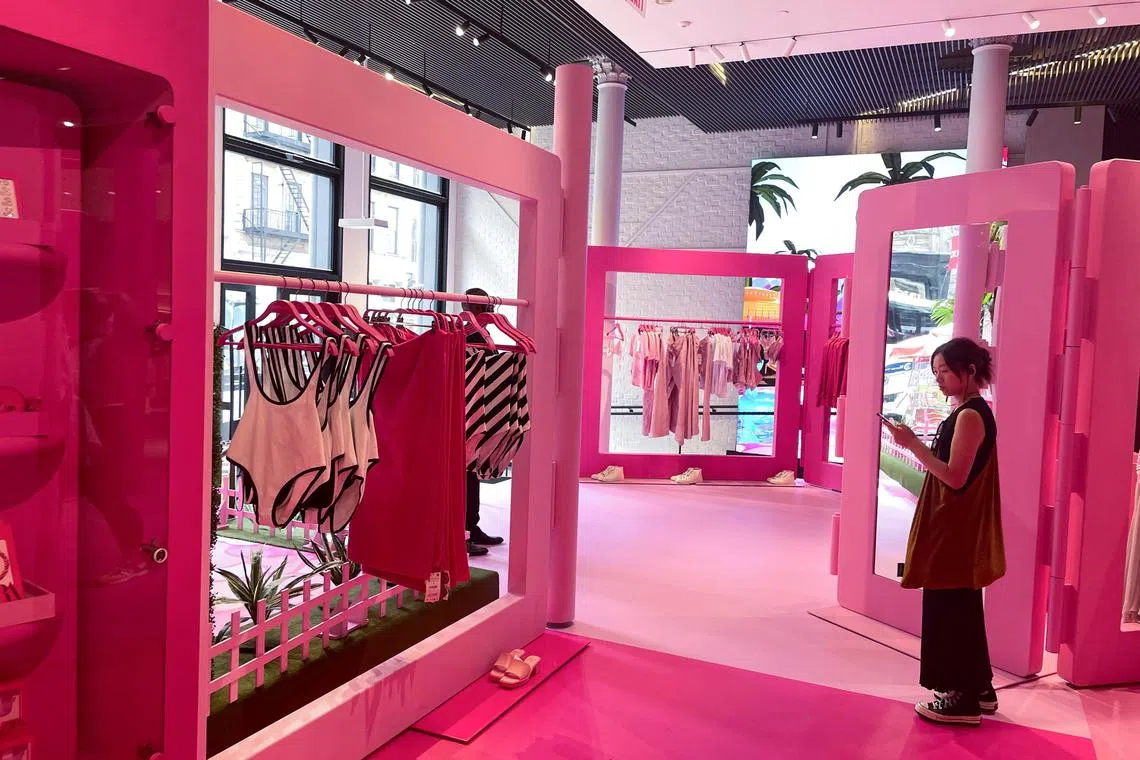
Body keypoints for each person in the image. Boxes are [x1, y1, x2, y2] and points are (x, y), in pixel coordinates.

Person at [882, 337, 1005, 727]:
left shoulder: (970, 416)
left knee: (949, 608)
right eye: (937, 373)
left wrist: (911, 443)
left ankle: (959, 697)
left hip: (953, 527)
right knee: (962, 607)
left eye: (945, 372)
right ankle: (978, 689)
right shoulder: (968, 411)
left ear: (969, 371)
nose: (939, 380)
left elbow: (955, 477)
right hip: (955, 525)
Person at [462, 288, 504, 557]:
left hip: (477, 412)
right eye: (485, 307)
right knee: (465, 476)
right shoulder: (468, 336)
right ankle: (464, 532)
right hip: (467, 413)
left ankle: (471, 528)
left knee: (471, 475)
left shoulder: (482, 334)